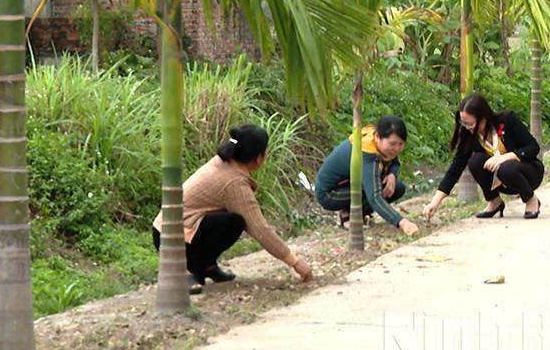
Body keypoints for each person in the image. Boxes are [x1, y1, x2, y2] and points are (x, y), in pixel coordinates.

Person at [152, 124, 313, 295]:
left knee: (232, 221)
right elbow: (259, 229)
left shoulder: (224, 161)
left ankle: (206, 265)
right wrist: (295, 262)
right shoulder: (233, 183)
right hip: (171, 237)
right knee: (235, 222)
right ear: (259, 158)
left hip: (168, 229)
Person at [423, 94, 544, 221]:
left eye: (470, 123)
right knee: (475, 161)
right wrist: (435, 202)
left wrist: (507, 157)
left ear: (483, 119)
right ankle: (494, 201)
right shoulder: (470, 135)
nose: (466, 127)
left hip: (528, 174)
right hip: (501, 182)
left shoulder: (507, 120)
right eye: (463, 123)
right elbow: (456, 167)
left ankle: (531, 199)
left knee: (506, 167)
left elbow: (533, 147)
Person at [313, 116, 420, 236]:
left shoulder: (380, 144)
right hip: (330, 193)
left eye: (400, 144)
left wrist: (392, 175)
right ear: (378, 137)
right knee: (373, 191)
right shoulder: (367, 154)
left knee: (397, 188)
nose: (396, 149)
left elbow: (394, 162)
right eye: (393, 144)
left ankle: (353, 212)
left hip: (353, 184)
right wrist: (402, 222)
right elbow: (375, 197)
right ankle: (348, 217)